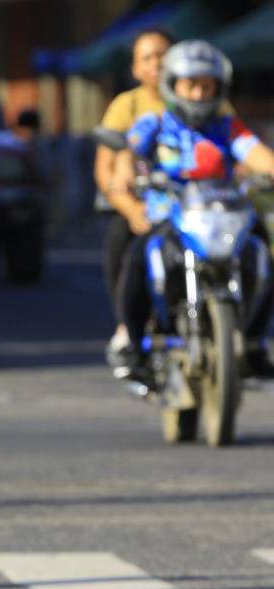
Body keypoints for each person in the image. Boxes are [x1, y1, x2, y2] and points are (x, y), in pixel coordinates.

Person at [108, 40, 274, 382]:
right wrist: (125, 169)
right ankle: (135, 349)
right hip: (170, 217)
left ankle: (255, 343)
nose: (199, 94)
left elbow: (256, 154)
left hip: (223, 216)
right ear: (173, 86)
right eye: (191, 85)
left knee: (261, 253)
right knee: (138, 261)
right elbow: (129, 150)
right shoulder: (154, 124)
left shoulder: (228, 127)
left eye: (207, 86)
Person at [96, 27, 174, 372]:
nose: (157, 64)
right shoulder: (128, 107)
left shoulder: (203, 98)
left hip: (194, 206)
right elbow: (110, 168)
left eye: (164, 55)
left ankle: (248, 336)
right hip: (145, 206)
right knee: (121, 243)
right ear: (135, 68)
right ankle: (128, 326)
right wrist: (132, 210)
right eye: (148, 58)